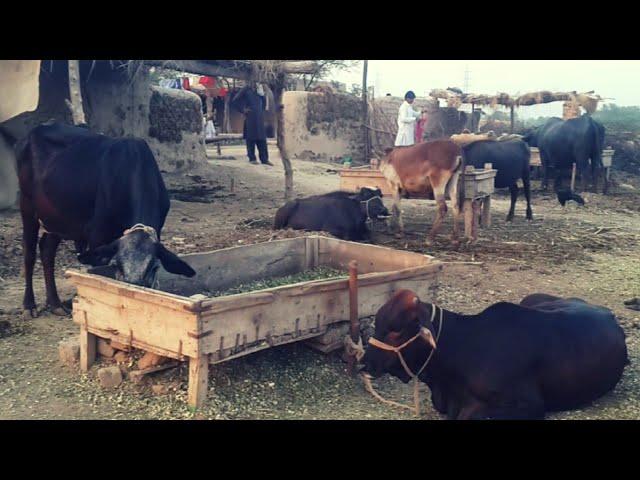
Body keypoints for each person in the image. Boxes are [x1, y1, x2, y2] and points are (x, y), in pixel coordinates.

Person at [231, 82, 274, 166]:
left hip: (260, 117)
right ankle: (252, 158)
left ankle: (264, 159)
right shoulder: (247, 88)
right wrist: (243, 110)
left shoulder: (261, 89)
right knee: (251, 138)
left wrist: (262, 95)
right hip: (250, 117)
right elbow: (235, 100)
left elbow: (264, 105)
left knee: (262, 138)